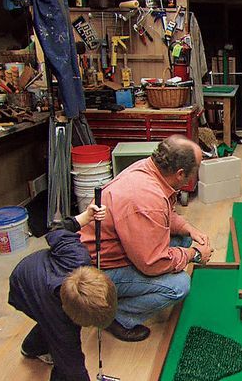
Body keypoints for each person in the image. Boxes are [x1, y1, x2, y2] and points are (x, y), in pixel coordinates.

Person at [80, 135, 213, 342]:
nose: (195, 175)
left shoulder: (149, 168)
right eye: (195, 169)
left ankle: (126, 295)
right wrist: (195, 255)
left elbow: (164, 215)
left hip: (120, 250)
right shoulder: (145, 197)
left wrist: (188, 228)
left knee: (183, 239)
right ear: (180, 174)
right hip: (101, 270)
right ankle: (116, 317)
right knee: (179, 285)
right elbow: (152, 264)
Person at [8, 204, 116, 381]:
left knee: (49, 324)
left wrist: (85, 217)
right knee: (62, 353)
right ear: (72, 318)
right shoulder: (63, 325)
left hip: (32, 269)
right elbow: (74, 370)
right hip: (23, 288)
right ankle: (34, 348)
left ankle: (31, 347)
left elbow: (58, 230)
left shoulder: (78, 256)